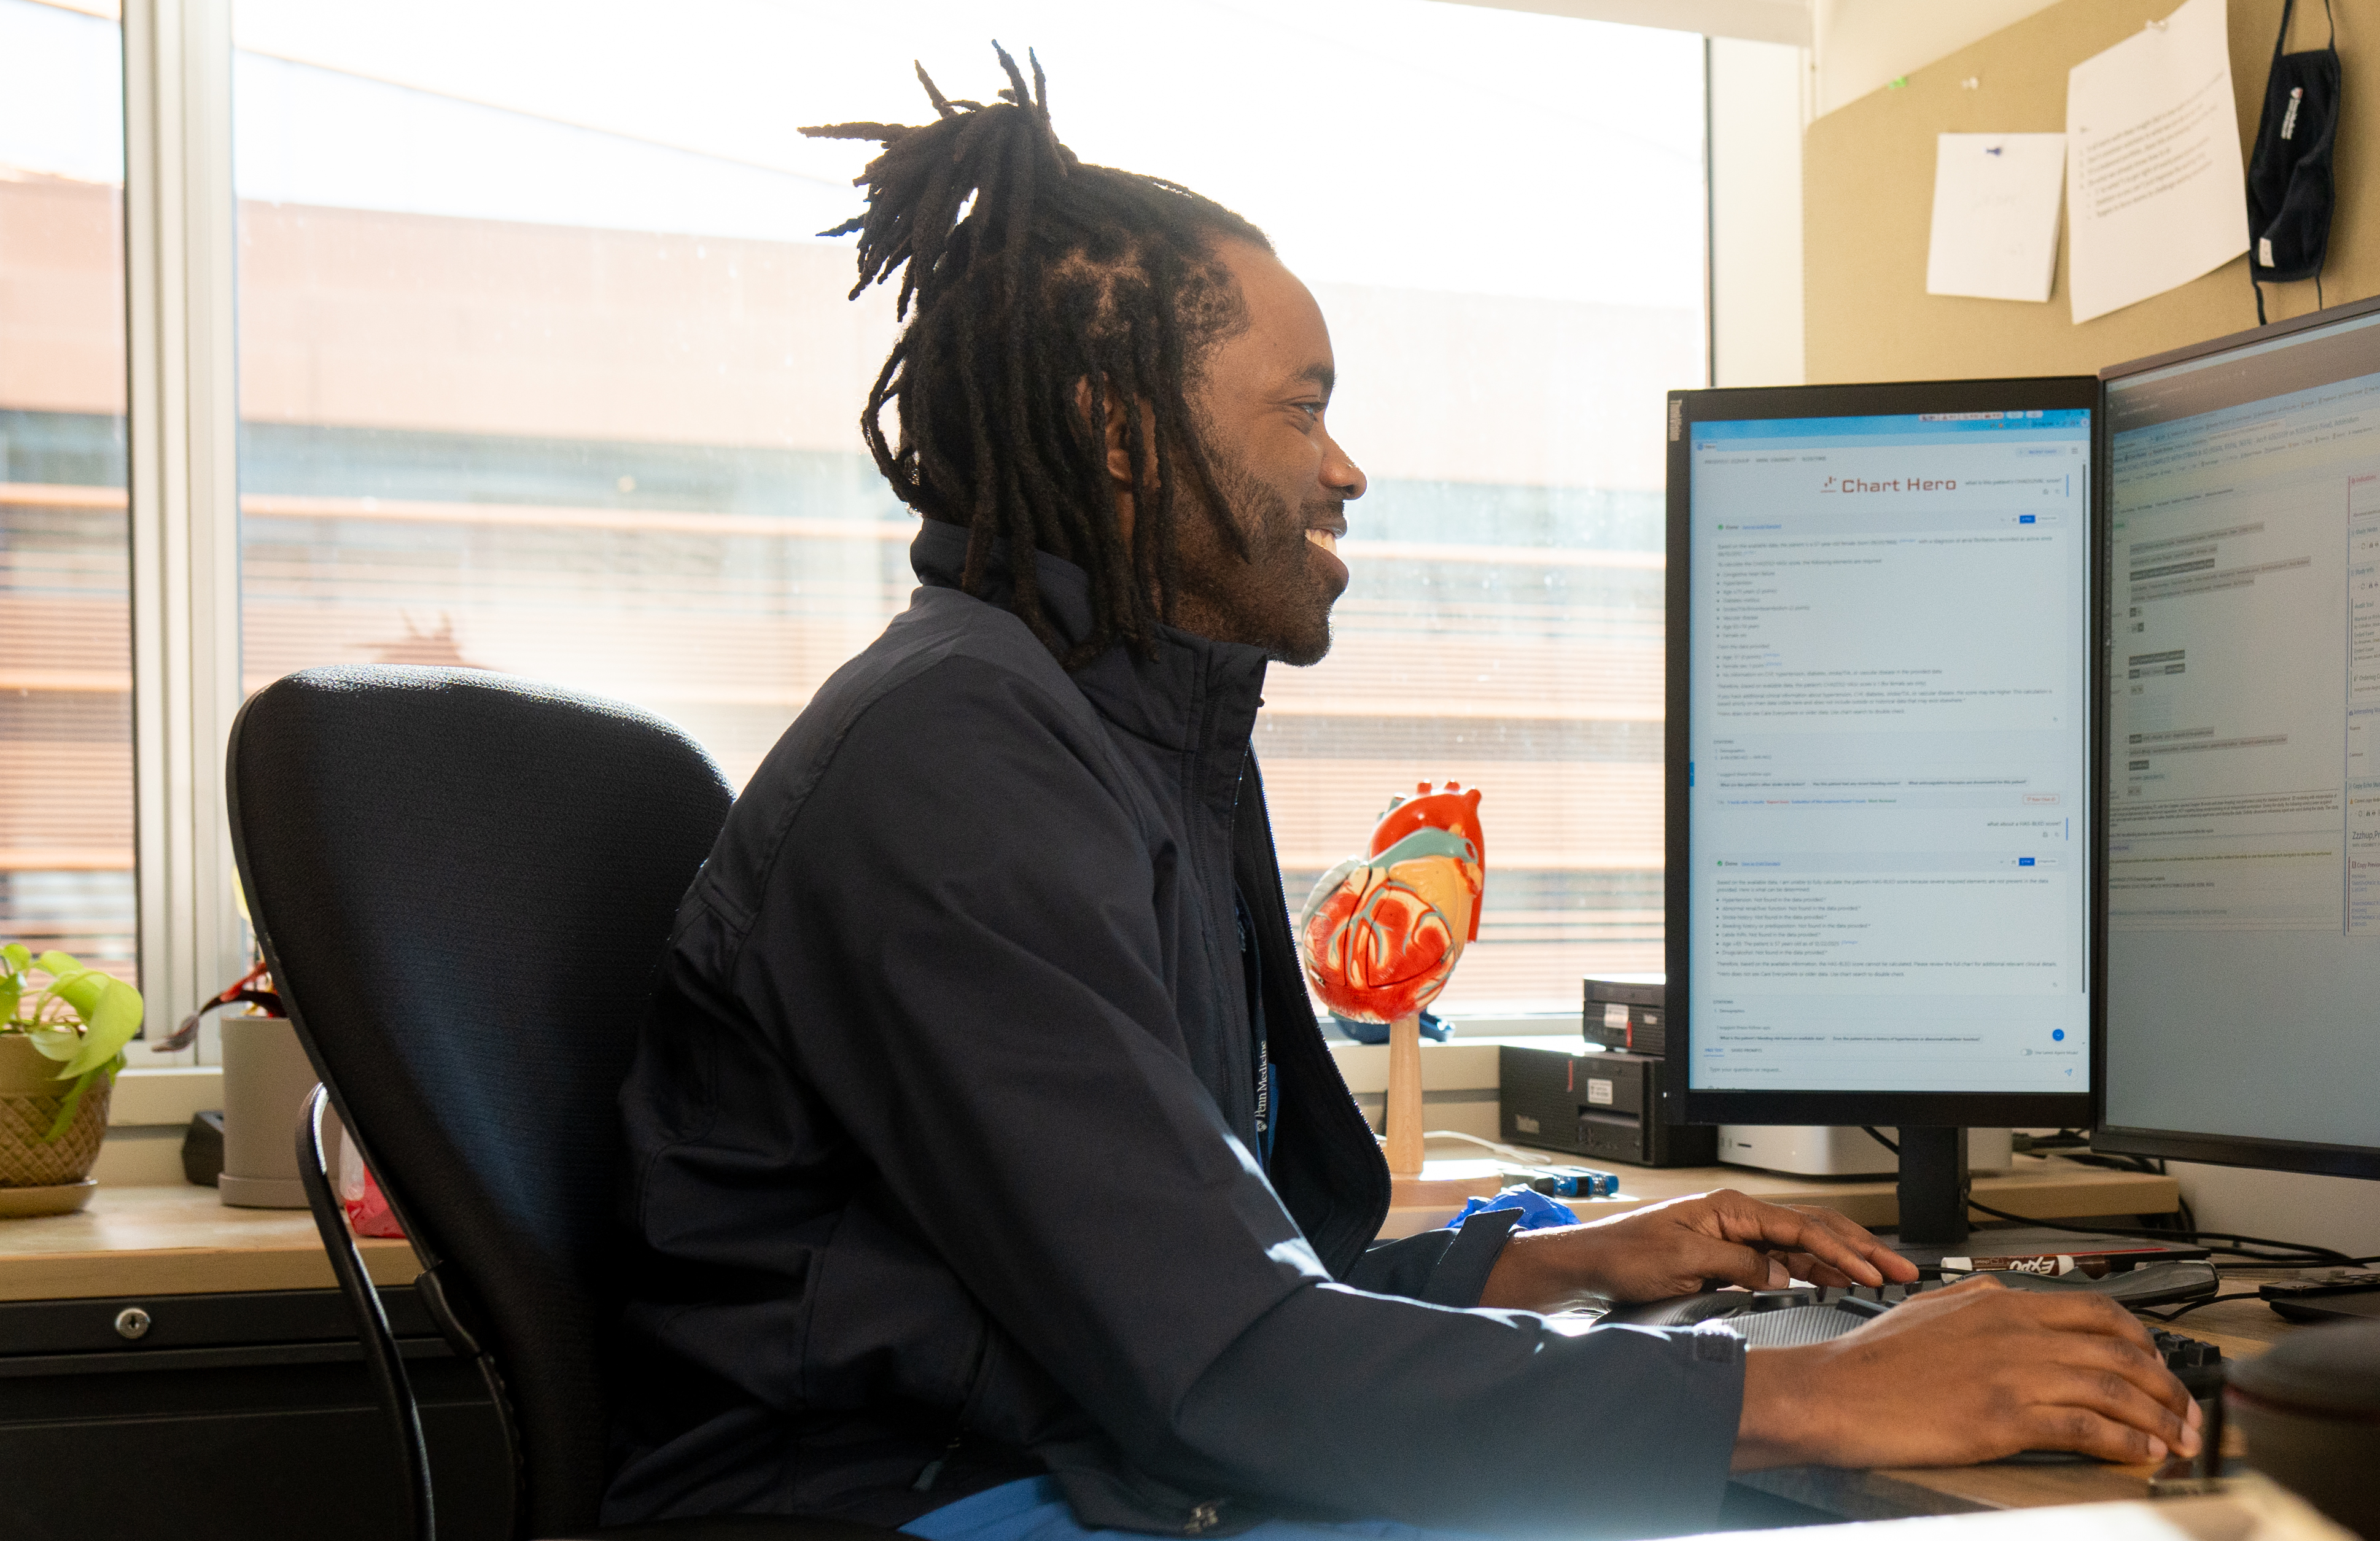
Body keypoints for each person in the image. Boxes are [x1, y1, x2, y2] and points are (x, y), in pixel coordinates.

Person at [605, 51, 2196, 1540]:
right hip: (902, 1501)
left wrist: (1533, 1265)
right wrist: (1814, 1388)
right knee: (1783, 1493)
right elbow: (1227, 1370)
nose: (1345, 468)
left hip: (1040, 1443)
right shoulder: (957, 768)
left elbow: (1188, 1270)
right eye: (1301, 409)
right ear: (1121, 440)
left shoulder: (1129, 729)